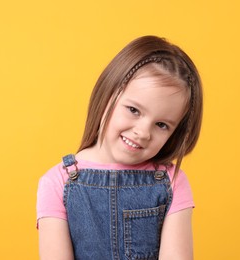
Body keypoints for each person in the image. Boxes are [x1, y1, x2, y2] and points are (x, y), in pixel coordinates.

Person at [36, 35, 203, 260]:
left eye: (162, 125)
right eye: (134, 110)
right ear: (108, 94)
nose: (143, 132)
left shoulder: (172, 183)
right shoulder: (56, 182)